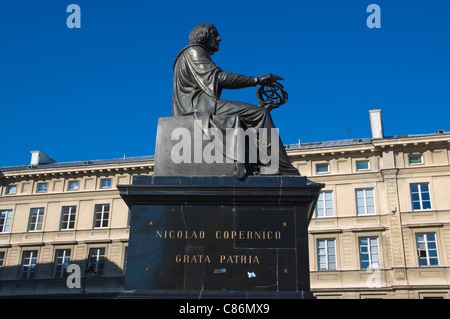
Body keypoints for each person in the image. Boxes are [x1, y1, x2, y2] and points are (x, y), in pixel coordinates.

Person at [172, 23, 299, 177]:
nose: (219, 38)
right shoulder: (194, 51)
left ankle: (262, 165)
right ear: (204, 35)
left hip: (200, 104)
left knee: (256, 113)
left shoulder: (189, 54)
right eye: (214, 34)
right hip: (199, 106)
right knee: (260, 114)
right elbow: (219, 78)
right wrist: (257, 80)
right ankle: (280, 168)